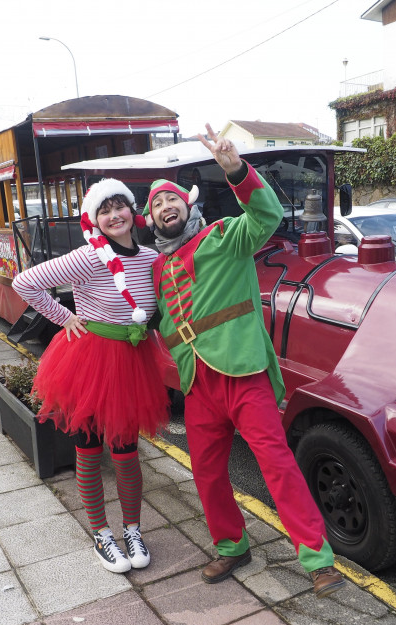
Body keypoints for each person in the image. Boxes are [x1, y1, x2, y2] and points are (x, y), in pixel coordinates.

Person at [145, 125, 345, 598]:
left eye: (172, 199)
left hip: (242, 372)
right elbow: (163, 319)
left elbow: (266, 213)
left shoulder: (223, 238)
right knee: (207, 472)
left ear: (188, 205)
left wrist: (235, 169)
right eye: (156, 205)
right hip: (199, 383)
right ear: (149, 218)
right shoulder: (157, 266)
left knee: (276, 465)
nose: (166, 208)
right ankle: (232, 545)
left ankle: (317, 559)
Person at [12, 178, 169, 574]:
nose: (114, 215)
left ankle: (132, 528)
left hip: (133, 361)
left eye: (120, 207)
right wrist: (65, 318)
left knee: (127, 452)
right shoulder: (89, 257)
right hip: (90, 360)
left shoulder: (150, 258)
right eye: (104, 210)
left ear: (133, 213)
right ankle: (101, 533)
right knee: (88, 448)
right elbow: (25, 282)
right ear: (95, 220)